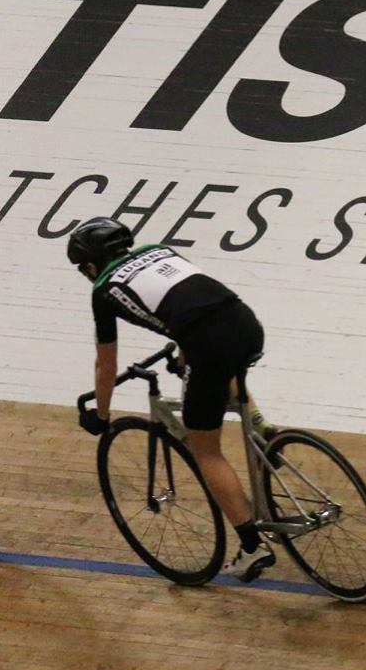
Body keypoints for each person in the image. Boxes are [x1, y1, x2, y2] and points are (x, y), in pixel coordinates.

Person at [67, 217, 278, 582]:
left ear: (90, 264)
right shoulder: (158, 251)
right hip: (244, 322)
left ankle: (252, 547)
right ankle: (264, 428)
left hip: (206, 342)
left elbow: (106, 364)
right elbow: (194, 301)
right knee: (220, 363)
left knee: (205, 450)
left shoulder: (104, 290)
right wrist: (183, 355)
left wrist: (101, 414)